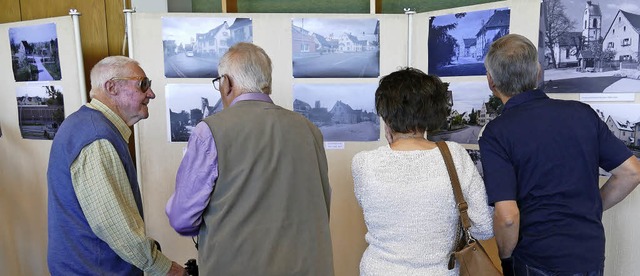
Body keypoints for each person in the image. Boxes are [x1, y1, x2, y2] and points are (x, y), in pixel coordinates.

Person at [166, 42, 334, 275]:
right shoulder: (309, 129)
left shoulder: (211, 131)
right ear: (268, 84)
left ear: (227, 83)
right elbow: (321, 205)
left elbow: (182, 218)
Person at [479, 34, 640, 275]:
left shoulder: (496, 133)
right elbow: (631, 172)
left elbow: (508, 218)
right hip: (588, 253)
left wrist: (506, 260)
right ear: (538, 72)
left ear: (491, 81)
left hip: (536, 258)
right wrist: (592, 207)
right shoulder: (582, 114)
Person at [47, 56, 185, 275]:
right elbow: (115, 226)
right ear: (112, 87)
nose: (151, 93)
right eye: (143, 84)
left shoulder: (85, 125)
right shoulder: (96, 138)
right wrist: (165, 268)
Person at [351, 67, 494, 275]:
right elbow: (484, 227)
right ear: (431, 112)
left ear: (385, 114)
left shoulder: (363, 163)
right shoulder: (454, 156)